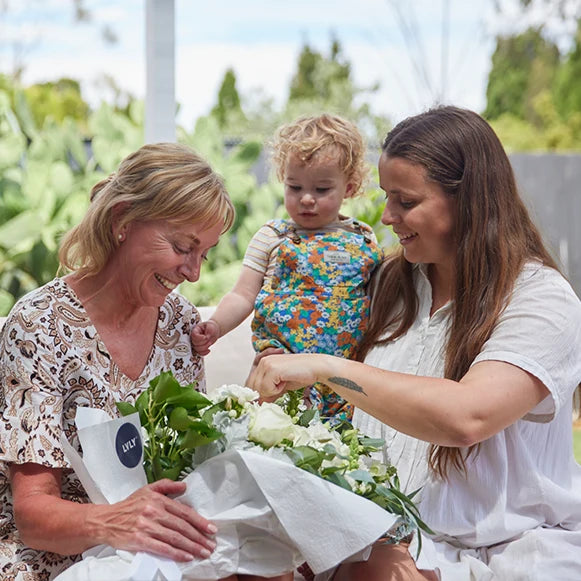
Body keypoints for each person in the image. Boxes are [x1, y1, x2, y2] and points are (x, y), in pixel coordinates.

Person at [248, 106, 581, 581]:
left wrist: (324, 368)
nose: (387, 217)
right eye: (387, 197)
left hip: (506, 550)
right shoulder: (386, 283)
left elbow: (468, 418)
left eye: (405, 201)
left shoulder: (541, 299)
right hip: (374, 537)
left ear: (469, 201)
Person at [0, 143, 289, 581]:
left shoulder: (181, 323)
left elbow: (190, 467)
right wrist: (118, 523)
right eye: (183, 246)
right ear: (122, 221)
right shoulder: (38, 324)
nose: (193, 272)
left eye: (205, 254)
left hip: (151, 550)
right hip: (56, 557)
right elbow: (33, 517)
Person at [192, 114, 383, 423]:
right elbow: (242, 295)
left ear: (349, 187)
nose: (306, 198)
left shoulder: (363, 238)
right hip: (282, 374)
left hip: (345, 374)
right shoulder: (272, 236)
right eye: (295, 187)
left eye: (322, 189)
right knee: (278, 435)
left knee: (343, 445)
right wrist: (216, 326)